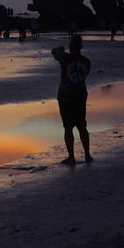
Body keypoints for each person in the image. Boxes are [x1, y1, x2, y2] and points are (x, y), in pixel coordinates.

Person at [51, 35, 93, 165]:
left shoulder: (65, 58)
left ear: (70, 46)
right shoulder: (86, 62)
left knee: (68, 128)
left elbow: (54, 51)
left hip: (65, 97)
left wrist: (63, 49)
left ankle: (72, 157)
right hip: (80, 97)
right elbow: (86, 74)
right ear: (81, 47)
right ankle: (87, 155)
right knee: (82, 127)